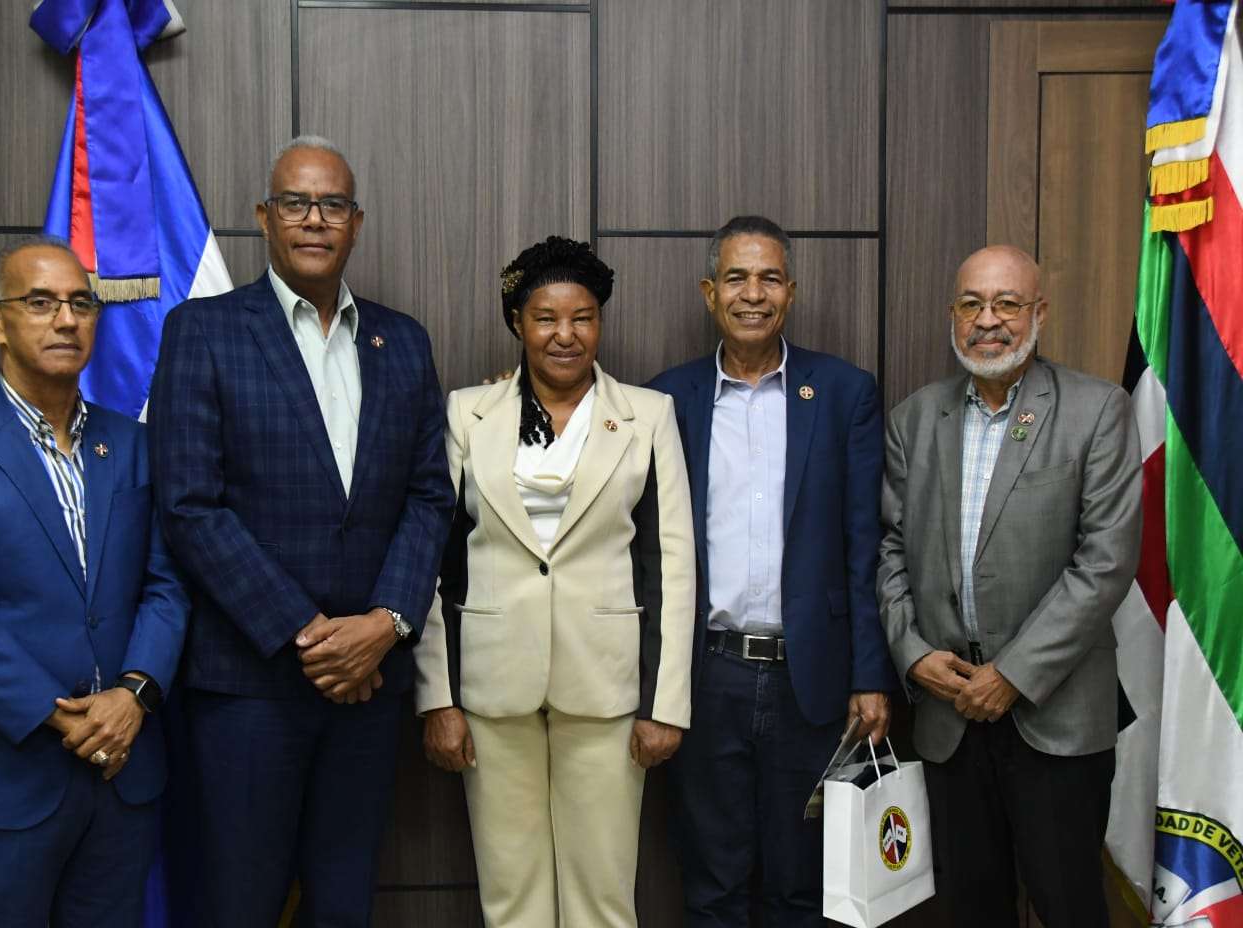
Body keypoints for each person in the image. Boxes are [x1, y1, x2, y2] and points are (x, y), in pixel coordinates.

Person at [147, 135, 456, 926]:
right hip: (249, 685)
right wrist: (312, 635)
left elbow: (430, 497)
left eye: (333, 205)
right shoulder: (203, 331)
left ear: (356, 222)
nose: (315, 219)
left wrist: (385, 624)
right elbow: (188, 504)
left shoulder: (403, 341)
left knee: (345, 900)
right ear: (264, 217)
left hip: (370, 684)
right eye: (296, 203)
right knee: (240, 902)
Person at [0, 236, 189, 927]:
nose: (67, 320)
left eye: (82, 303)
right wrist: (63, 716)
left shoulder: (136, 445)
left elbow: (167, 585)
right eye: (42, 303)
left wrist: (134, 696)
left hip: (122, 771)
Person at [415, 236, 696, 928]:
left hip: (606, 686)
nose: (565, 335)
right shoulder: (467, 414)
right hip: (492, 687)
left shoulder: (648, 415)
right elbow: (434, 563)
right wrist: (436, 697)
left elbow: (671, 564)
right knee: (510, 898)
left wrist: (666, 703)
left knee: (603, 897)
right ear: (518, 322)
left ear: (600, 322)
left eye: (582, 317)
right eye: (546, 318)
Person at [877, 244, 1141, 926]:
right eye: (972, 304)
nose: (988, 320)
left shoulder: (1097, 410)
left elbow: (1105, 561)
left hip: (1056, 716)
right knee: (970, 908)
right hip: (948, 715)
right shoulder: (914, 419)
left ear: (1038, 313)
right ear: (953, 315)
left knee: (1068, 905)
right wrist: (913, 654)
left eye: (1007, 304)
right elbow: (890, 549)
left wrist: (1013, 674)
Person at [646, 215, 899, 926]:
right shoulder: (666, 400)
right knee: (713, 889)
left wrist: (870, 675)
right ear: (709, 292)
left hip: (811, 683)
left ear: (791, 291)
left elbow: (864, 543)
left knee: (802, 891)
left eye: (769, 278)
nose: (752, 294)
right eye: (736, 278)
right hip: (707, 677)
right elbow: (640, 548)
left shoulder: (843, 392)